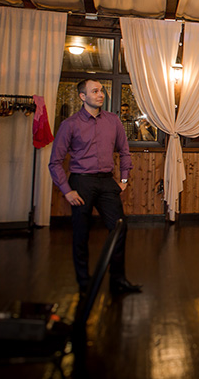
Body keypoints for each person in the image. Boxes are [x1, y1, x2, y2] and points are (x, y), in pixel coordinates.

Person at [48, 79, 140, 295]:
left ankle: (117, 280)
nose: (101, 95)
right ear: (83, 96)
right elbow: (55, 162)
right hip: (81, 182)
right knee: (81, 233)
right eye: (95, 91)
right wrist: (66, 190)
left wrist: (124, 180)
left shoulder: (113, 121)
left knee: (119, 227)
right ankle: (84, 283)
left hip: (108, 181)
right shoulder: (69, 124)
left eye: (102, 91)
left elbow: (124, 151)